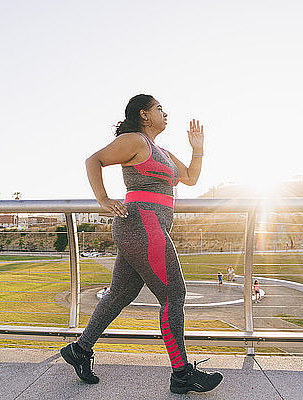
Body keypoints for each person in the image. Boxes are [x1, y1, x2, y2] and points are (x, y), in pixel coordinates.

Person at [60, 94, 222, 394]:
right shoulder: (135, 141)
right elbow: (93, 160)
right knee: (174, 294)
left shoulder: (161, 150)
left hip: (148, 228)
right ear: (144, 115)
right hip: (141, 225)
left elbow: (189, 178)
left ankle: (79, 350)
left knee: (120, 293)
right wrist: (104, 200)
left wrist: (197, 150)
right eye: (159, 108)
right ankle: (181, 373)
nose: (165, 112)